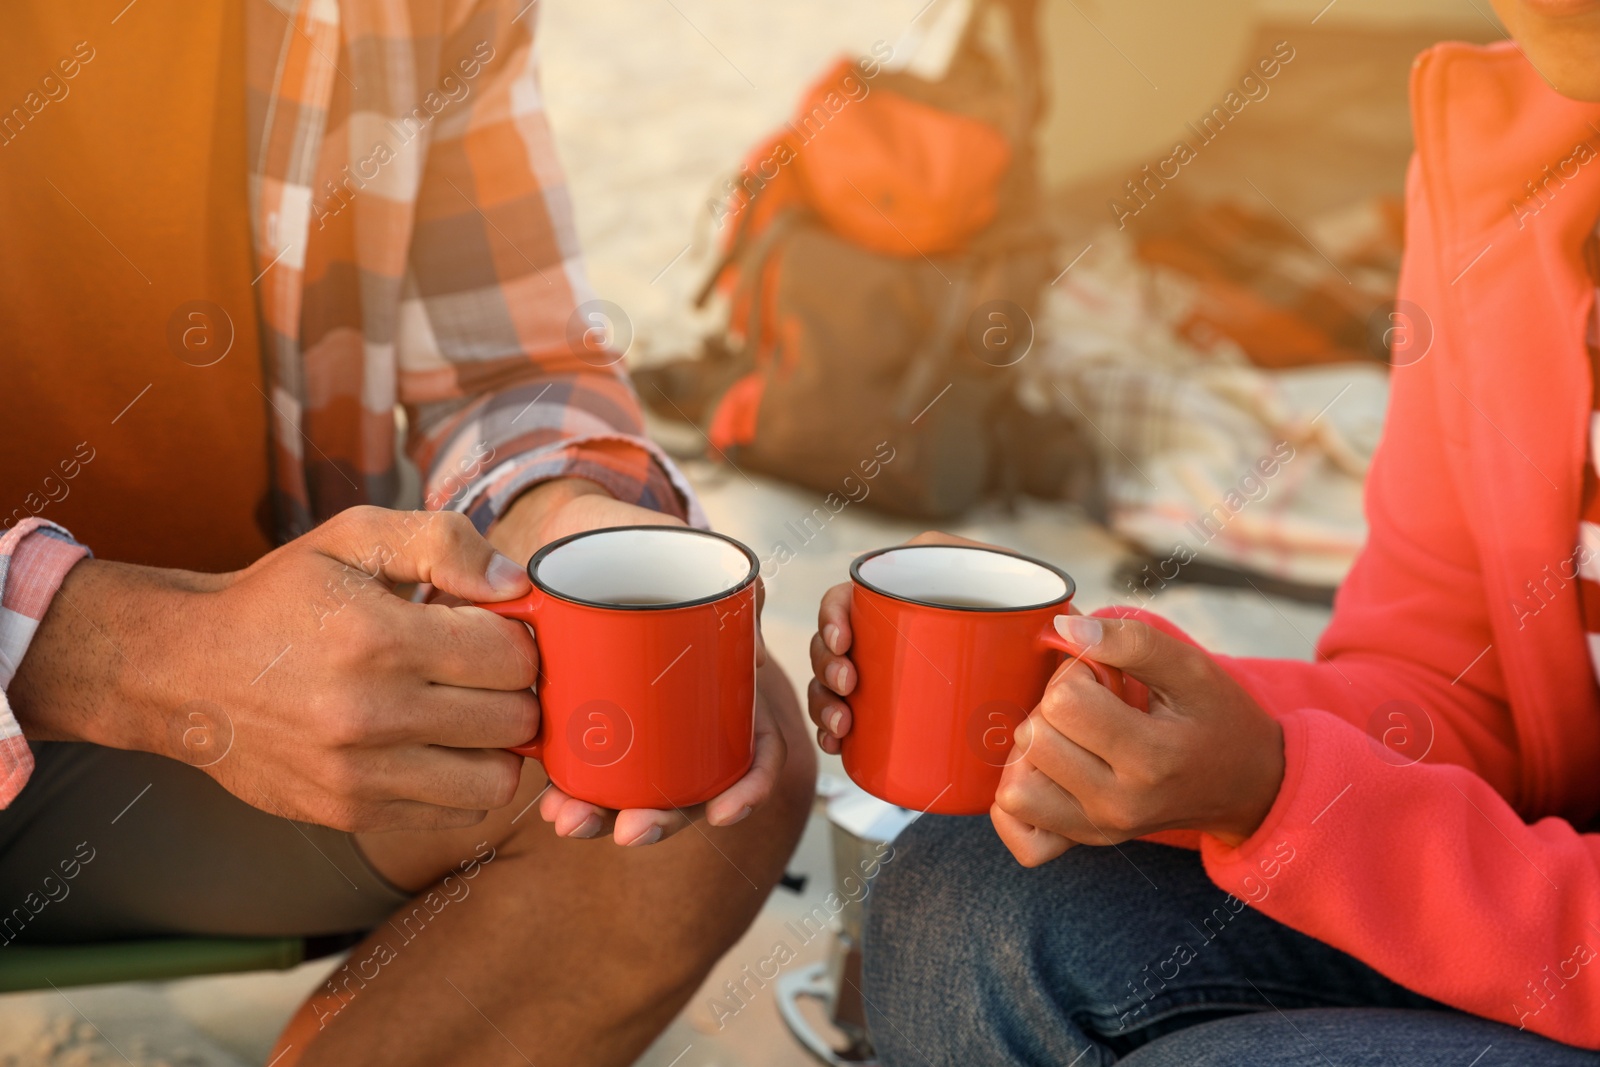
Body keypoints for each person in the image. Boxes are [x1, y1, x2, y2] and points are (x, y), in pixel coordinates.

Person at [0, 2, 814, 1065]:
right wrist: (148, 655)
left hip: (211, 751)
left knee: (692, 745)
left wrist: (571, 521)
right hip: (99, 690)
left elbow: (502, 366)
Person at [808, 2, 1600, 1063]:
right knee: (962, 897)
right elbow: (1455, 686)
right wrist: (1130, 707)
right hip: (1539, 893)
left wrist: (1284, 796)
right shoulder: (1512, 150)